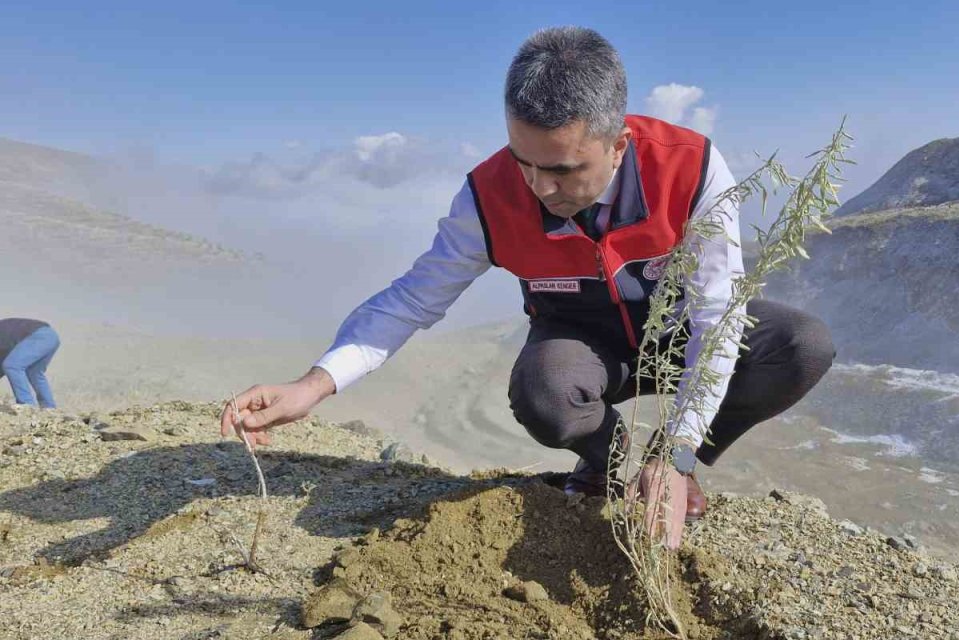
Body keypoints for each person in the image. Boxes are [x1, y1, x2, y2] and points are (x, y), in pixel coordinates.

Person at [219, 26, 835, 549]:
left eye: (564, 169)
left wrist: (675, 453)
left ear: (619, 144)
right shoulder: (487, 196)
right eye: (525, 161)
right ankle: (615, 470)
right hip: (581, 345)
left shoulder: (692, 168)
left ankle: (671, 471)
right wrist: (312, 384)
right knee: (544, 393)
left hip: (676, 332)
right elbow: (412, 299)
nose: (539, 187)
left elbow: (714, 316)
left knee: (802, 346)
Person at [0, 318, 61, 409]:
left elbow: (7, 364)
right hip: (51, 336)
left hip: (38, 336)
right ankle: (49, 407)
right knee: (34, 372)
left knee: (12, 366)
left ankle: (26, 404)